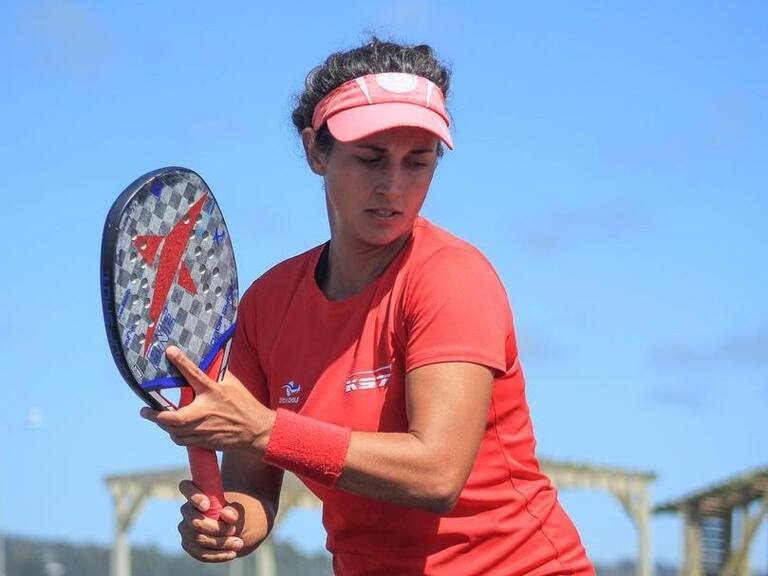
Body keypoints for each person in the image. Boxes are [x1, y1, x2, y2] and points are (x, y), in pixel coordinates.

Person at [142, 38, 595, 575]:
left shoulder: (451, 278)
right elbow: (253, 485)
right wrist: (229, 522)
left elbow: (437, 474)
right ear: (316, 151)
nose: (394, 186)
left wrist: (263, 428)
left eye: (418, 162)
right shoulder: (268, 304)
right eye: (371, 158)